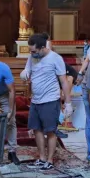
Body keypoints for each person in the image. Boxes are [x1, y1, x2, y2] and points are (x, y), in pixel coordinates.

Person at [23, 33, 72, 170]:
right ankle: (42, 157)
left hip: (50, 100)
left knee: (50, 131)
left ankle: (50, 160)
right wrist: (25, 72)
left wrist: (67, 103)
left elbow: (64, 81)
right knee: (37, 129)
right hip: (35, 100)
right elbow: (28, 69)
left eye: (34, 51)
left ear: (43, 47)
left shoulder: (56, 59)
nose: (31, 53)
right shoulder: (32, 57)